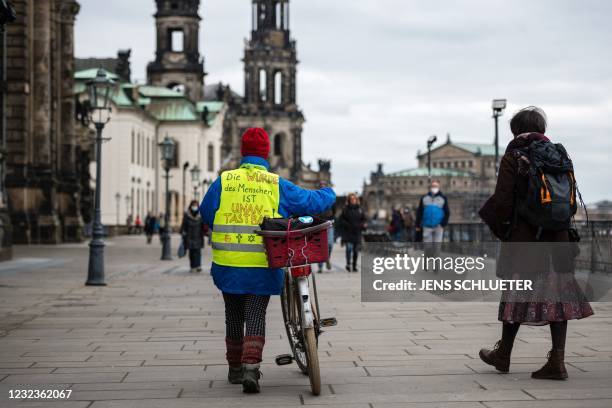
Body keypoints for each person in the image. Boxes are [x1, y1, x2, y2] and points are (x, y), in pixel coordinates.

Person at [200, 128, 335, 393]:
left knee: (233, 315)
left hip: (228, 265)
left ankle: (235, 369)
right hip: (263, 264)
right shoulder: (275, 184)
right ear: (265, 155)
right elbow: (309, 201)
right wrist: (328, 192)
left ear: (243, 152)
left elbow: (206, 212)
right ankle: (252, 367)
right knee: (255, 313)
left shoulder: (224, 182)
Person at [478, 106, 593, 380]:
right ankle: (557, 360)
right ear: (542, 129)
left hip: (526, 240)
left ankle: (503, 354)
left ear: (516, 129)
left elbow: (503, 201)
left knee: (516, 294)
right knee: (559, 297)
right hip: (558, 240)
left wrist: (500, 227)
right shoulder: (559, 154)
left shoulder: (515, 155)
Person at [339, 193, 366, 272]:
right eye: (351, 199)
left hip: (357, 232)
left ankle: (354, 265)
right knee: (348, 249)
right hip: (348, 232)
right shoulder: (345, 209)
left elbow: (364, 219)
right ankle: (348, 263)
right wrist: (346, 225)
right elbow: (341, 219)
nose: (353, 200)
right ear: (349, 200)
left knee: (355, 250)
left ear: (356, 200)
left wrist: (362, 225)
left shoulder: (360, 209)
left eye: (354, 199)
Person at [180, 200, 205, 273]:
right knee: (191, 252)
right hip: (189, 236)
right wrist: (182, 232)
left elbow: (203, 226)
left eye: (196, 205)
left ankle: (198, 266)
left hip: (198, 236)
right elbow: (183, 225)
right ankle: (192, 266)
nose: (195, 207)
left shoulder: (200, 215)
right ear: (191, 206)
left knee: (198, 251)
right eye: (193, 205)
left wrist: (205, 233)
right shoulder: (187, 215)